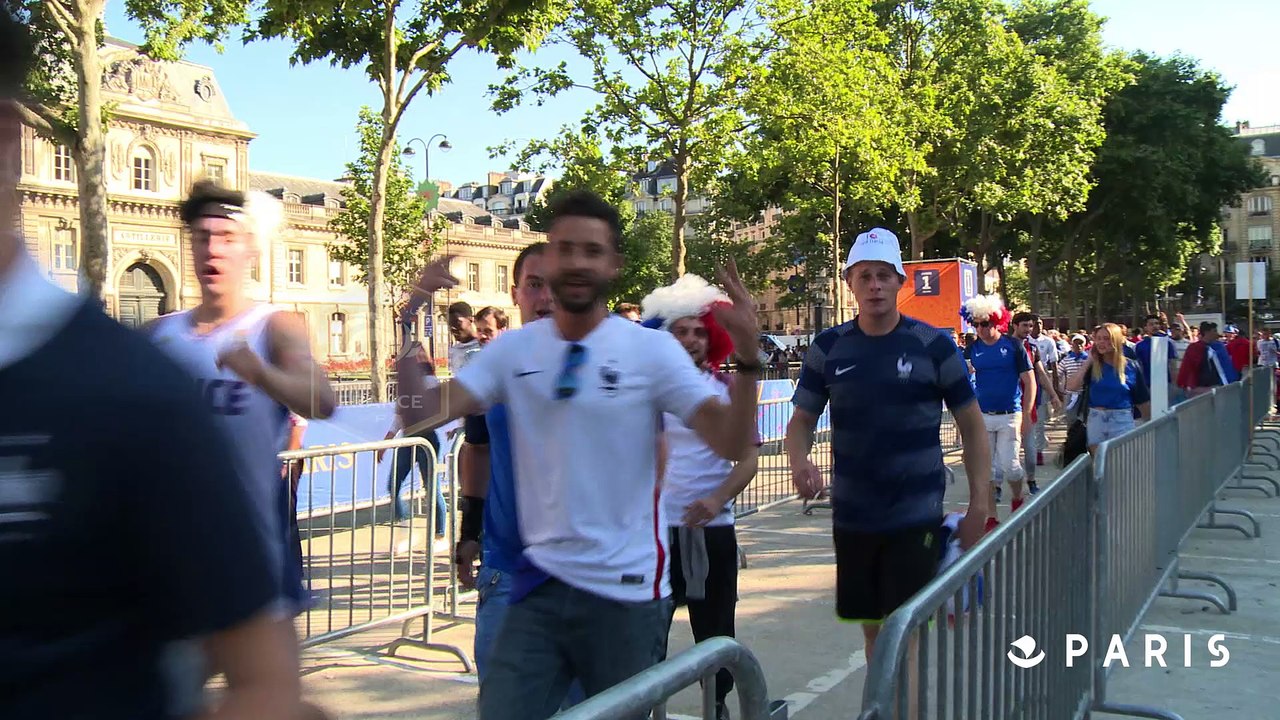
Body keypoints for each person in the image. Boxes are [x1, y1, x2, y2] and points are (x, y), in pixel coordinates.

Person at [0, 15, 319, 718]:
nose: (211, 252)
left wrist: (262, 375)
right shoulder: (154, 347)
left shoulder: (136, 384)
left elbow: (321, 399)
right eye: (200, 236)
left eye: (226, 237)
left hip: (249, 556)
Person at [395, 190, 761, 720]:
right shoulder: (515, 352)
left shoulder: (649, 351)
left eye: (592, 251)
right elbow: (421, 414)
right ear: (549, 256)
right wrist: (410, 321)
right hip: (537, 588)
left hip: (626, 595)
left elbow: (728, 442)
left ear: (613, 263)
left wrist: (747, 358)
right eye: (565, 249)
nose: (577, 263)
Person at [784, 227, 991, 666]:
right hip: (853, 515)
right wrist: (799, 461)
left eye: (883, 275)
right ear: (850, 283)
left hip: (914, 516)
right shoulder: (828, 347)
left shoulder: (933, 344)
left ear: (901, 281)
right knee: (875, 639)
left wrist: (980, 503)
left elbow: (971, 424)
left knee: (904, 638)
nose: (874, 285)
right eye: (864, 276)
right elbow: (801, 420)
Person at [641, 275, 761, 720]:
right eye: (680, 330)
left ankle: (717, 706)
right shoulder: (646, 392)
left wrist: (716, 499)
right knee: (645, 636)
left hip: (711, 532)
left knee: (714, 635)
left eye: (698, 330)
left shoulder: (725, 389)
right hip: (652, 534)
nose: (690, 339)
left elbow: (748, 460)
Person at [453, 242, 567, 690]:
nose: (546, 297)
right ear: (515, 294)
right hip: (506, 571)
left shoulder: (604, 364)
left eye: (556, 285)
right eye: (534, 285)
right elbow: (477, 449)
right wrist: (468, 530)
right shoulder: (493, 368)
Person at [963, 296, 1035, 523]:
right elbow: (964, 379)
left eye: (985, 323)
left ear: (996, 321)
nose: (980, 329)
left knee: (1011, 467)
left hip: (1010, 415)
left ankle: (1017, 497)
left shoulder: (1013, 346)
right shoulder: (972, 349)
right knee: (988, 472)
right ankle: (992, 517)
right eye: (976, 324)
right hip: (983, 416)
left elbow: (1029, 380)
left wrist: (1027, 414)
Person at [377, 343, 447, 553]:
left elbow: (438, 411)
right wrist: (386, 443)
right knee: (393, 485)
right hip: (408, 439)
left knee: (431, 489)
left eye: (417, 356)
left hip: (427, 439)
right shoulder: (406, 385)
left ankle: (440, 535)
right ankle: (406, 529)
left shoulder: (430, 381)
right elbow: (399, 418)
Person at [1065, 324, 1151, 453]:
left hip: (1121, 418)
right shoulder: (1093, 366)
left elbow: (1142, 401)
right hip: (1096, 418)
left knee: (1121, 463)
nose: (1101, 342)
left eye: (1106, 338)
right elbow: (1071, 386)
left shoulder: (1131, 366)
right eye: (1098, 338)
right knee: (1100, 467)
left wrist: (1150, 426)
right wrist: (1088, 361)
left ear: (1115, 340)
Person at [1010, 312, 1061, 487]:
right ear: (1015, 325)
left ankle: (1031, 480)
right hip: (1008, 404)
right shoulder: (1004, 346)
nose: (1028, 329)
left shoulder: (1032, 348)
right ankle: (1002, 486)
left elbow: (1042, 373)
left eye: (1030, 326)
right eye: (1025, 325)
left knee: (1029, 445)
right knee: (1009, 448)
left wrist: (1053, 394)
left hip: (1029, 403)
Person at [1177, 322, 1238, 398]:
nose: (1217, 334)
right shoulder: (1194, 348)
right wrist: (1189, 386)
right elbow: (1187, 368)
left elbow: (1226, 366)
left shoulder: (1219, 346)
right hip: (1201, 389)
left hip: (1219, 387)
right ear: (1207, 332)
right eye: (1214, 331)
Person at [448, 301, 482, 371]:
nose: (453, 327)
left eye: (457, 322)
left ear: (471, 320)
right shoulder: (453, 351)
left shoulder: (483, 346)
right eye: (450, 324)